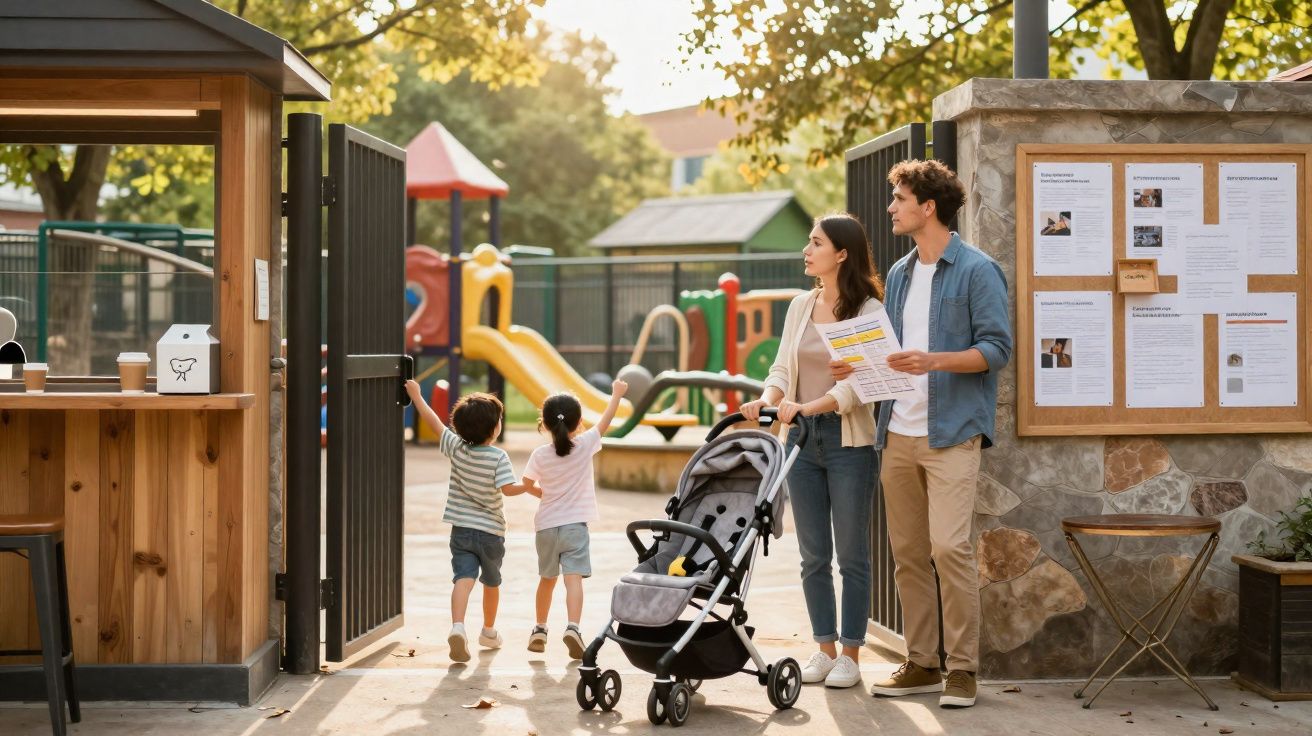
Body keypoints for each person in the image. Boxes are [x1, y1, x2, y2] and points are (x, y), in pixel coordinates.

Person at [834, 159, 1011, 708]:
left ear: (926, 207)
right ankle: (923, 662)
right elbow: (890, 356)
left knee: (948, 548)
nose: (890, 207)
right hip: (898, 432)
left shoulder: (978, 271)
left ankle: (962, 670)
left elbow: (996, 351)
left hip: (951, 433)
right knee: (909, 553)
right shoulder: (903, 272)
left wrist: (932, 361)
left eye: (899, 198)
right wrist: (857, 368)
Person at [739, 213, 884, 690]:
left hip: (848, 443)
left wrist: (812, 405)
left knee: (852, 555)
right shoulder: (801, 304)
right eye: (808, 241)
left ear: (841, 254)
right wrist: (768, 399)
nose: (806, 249)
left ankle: (851, 654)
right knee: (812, 555)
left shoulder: (868, 311)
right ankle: (823, 648)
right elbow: (782, 368)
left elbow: (862, 387)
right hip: (800, 441)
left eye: (815, 242)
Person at [405, 382, 535, 663]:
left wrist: (416, 395)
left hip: (461, 530)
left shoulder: (457, 448)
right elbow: (508, 490)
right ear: (494, 428)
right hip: (491, 534)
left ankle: (458, 626)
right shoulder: (499, 457)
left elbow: (433, 421)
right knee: (491, 581)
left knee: (463, 579)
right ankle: (488, 631)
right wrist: (528, 486)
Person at [520, 380, 628, 660]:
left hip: (545, 526)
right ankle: (573, 627)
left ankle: (540, 629)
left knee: (546, 579)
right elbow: (607, 420)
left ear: (543, 424)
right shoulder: (585, 444)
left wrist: (543, 493)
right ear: (579, 422)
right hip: (575, 527)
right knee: (573, 580)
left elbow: (526, 483)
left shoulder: (539, 454)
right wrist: (616, 394)